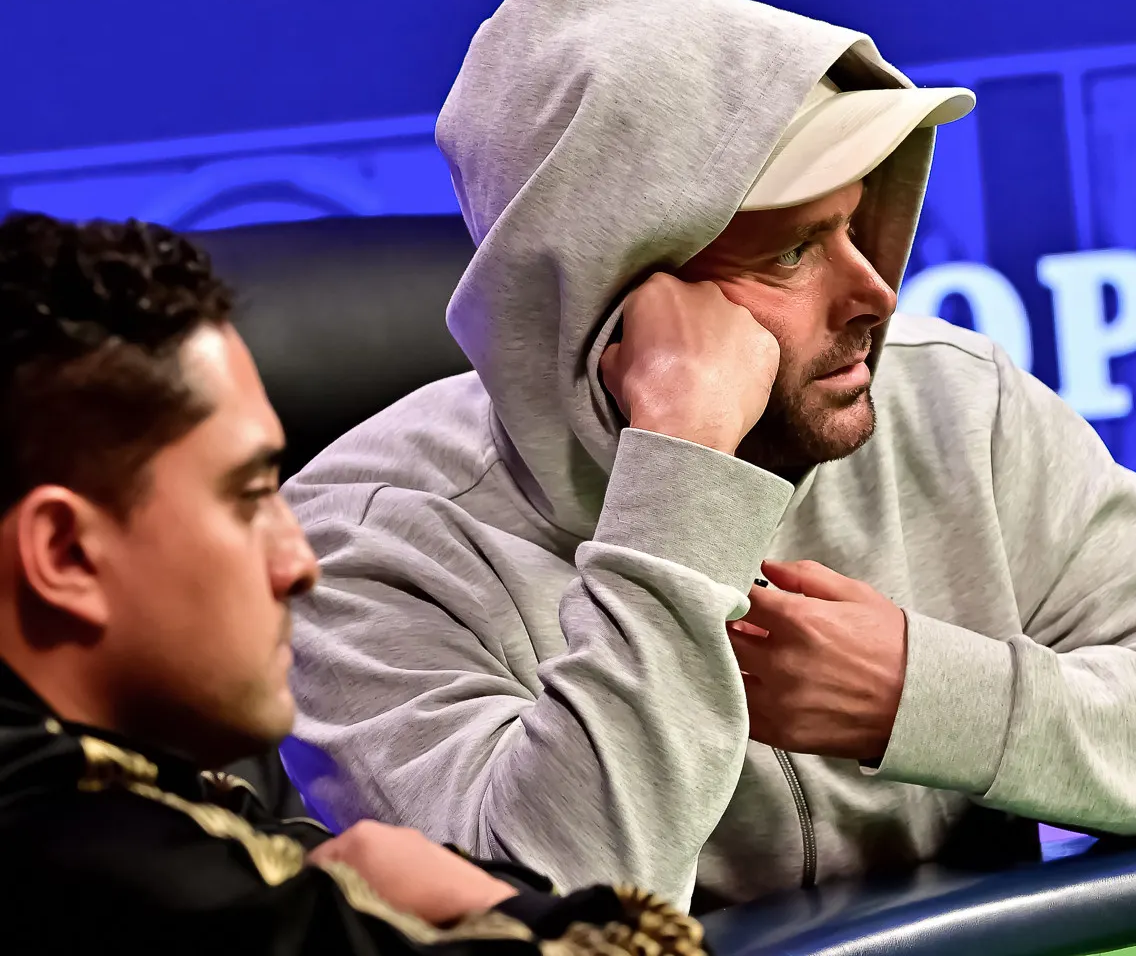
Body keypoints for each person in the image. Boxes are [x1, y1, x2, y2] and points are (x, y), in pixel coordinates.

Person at [283, 0, 1136, 913]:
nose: (875, 293)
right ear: (609, 301)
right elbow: (545, 919)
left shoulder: (955, 403)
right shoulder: (361, 552)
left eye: (854, 223)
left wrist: (915, 695)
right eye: (791, 251)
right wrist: (679, 493)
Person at [0, 212, 708, 955]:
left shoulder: (123, 801)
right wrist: (686, 456)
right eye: (249, 498)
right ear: (66, 554)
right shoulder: (103, 868)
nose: (298, 564)